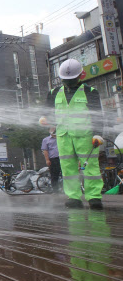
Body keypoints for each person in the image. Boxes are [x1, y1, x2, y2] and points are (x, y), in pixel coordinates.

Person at [40, 58, 104, 209]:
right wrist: (44, 118)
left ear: (80, 76)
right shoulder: (53, 93)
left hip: (85, 136)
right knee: (68, 168)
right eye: (65, 80)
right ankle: (73, 197)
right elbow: (47, 112)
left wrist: (98, 134)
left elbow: (98, 115)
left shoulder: (90, 92)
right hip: (63, 136)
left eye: (71, 80)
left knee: (91, 167)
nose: (68, 83)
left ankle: (94, 197)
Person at [41, 126, 62, 193]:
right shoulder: (46, 140)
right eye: (52, 129)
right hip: (53, 159)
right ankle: (55, 190)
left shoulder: (61, 138)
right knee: (54, 175)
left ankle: (66, 189)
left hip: (63, 158)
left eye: (55, 128)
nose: (54, 130)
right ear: (49, 131)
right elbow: (45, 150)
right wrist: (47, 160)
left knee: (65, 174)